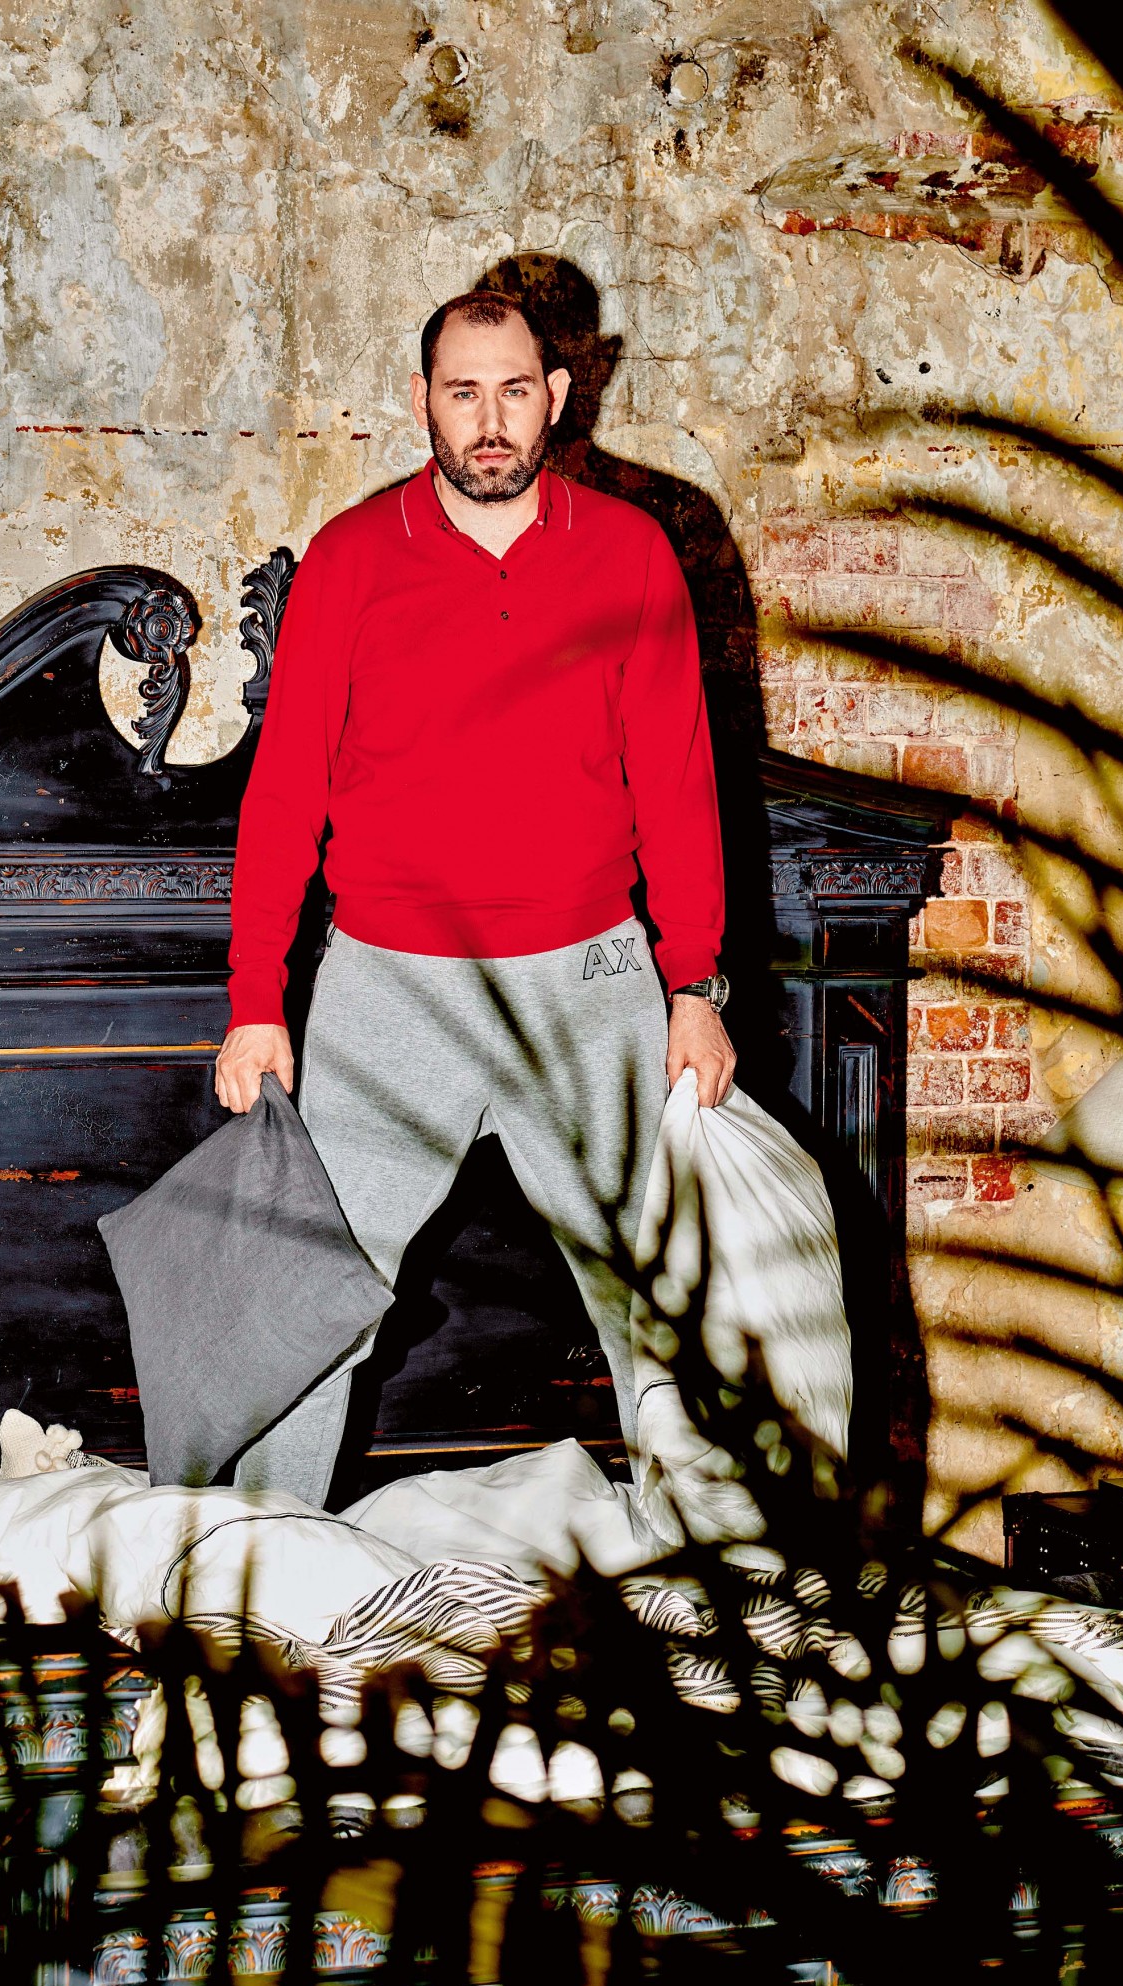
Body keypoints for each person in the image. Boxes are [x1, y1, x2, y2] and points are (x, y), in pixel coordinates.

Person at [213, 288, 734, 1507]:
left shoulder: (629, 551)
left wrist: (696, 984)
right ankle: (261, 1558)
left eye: (512, 391)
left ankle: (709, 1552)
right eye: (463, 392)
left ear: (556, 397)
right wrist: (254, 1000)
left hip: (587, 980)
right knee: (315, 1298)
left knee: (654, 1300)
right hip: (391, 984)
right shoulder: (351, 557)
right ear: (422, 402)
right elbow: (283, 796)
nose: (489, 422)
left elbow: (677, 782)